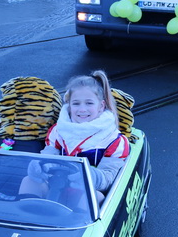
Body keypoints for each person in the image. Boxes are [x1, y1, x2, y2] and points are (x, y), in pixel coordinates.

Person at [20, 71, 129, 203]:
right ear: (69, 105)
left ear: (101, 106)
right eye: (76, 103)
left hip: (87, 193)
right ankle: (26, 214)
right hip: (56, 186)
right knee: (29, 181)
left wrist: (90, 176)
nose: (82, 109)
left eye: (89, 103)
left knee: (94, 196)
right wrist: (38, 166)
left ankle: (80, 217)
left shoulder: (114, 140)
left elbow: (109, 177)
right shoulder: (58, 130)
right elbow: (49, 156)